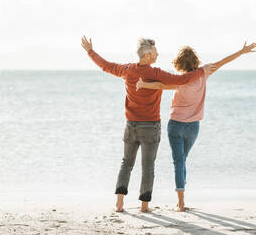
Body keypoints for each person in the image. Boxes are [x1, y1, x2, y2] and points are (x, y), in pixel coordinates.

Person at [81, 36, 216, 212]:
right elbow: (181, 80)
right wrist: (201, 71)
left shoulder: (127, 70)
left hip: (131, 125)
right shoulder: (155, 73)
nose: (158, 54)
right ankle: (144, 206)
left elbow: (106, 66)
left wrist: (90, 51)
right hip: (150, 127)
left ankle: (119, 204)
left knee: (126, 163)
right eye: (155, 52)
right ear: (146, 56)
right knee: (148, 166)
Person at [136, 42, 256, 211]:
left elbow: (160, 85)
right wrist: (242, 51)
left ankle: (181, 201)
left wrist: (143, 84)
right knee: (182, 161)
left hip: (175, 125)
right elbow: (223, 61)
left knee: (179, 162)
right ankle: (181, 195)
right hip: (193, 127)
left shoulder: (180, 79)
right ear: (195, 61)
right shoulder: (203, 74)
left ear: (180, 64)